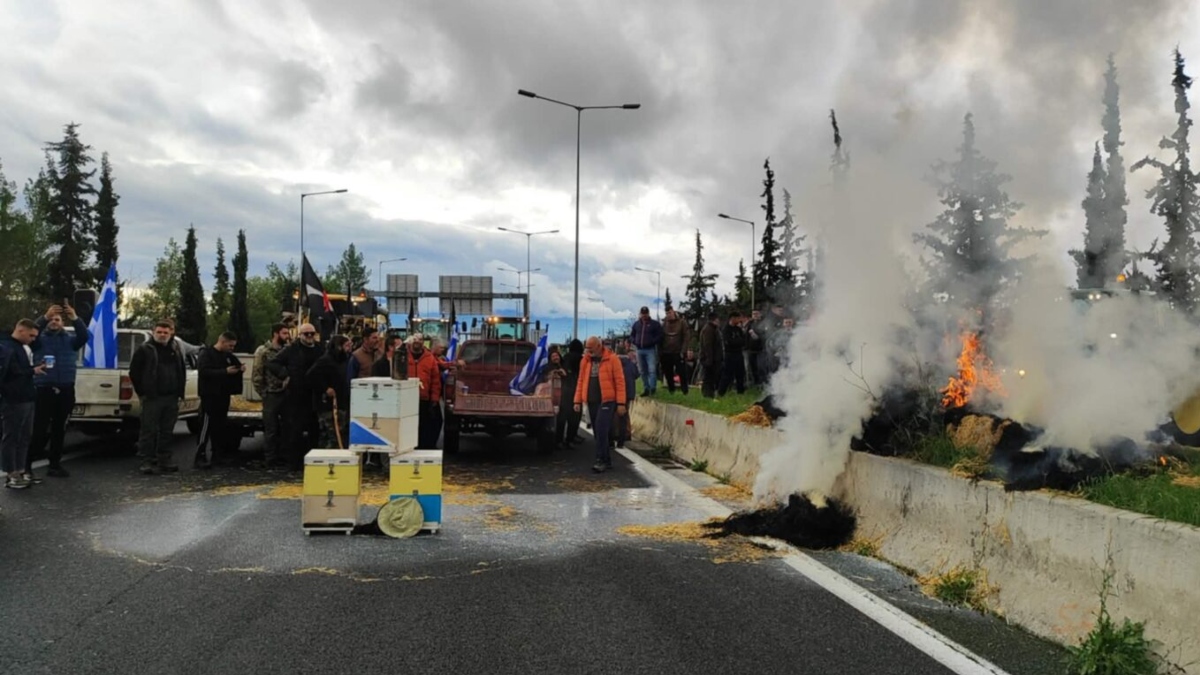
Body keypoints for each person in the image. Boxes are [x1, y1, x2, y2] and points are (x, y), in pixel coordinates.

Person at [27, 303, 88, 480]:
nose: (54, 322)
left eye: (57, 319)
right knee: (39, 429)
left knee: (59, 429)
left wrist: (75, 318)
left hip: (65, 388)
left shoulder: (70, 340)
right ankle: (27, 465)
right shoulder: (38, 340)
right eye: (51, 320)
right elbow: (32, 331)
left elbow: (84, 335)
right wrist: (44, 317)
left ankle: (54, 465)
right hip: (44, 388)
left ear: (62, 322)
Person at [129, 319, 186, 475]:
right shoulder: (145, 350)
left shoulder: (175, 349)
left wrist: (180, 392)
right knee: (149, 431)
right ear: (153, 332)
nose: (162, 335)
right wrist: (143, 393)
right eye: (159, 332)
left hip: (171, 397)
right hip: (153, 398)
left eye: (165, 332)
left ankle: (164, 460)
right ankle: (146, 461)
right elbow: (134, 373)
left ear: (171, 333)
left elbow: (181, 370)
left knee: (167, 431)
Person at [268, 323, 323, 469]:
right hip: (296, 395)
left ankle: (314, 461)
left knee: (315, 429)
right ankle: (294, 462)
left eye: (312, 333)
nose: (310, 336)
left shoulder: (320, 349)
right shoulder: (291, 350)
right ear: (300, 335)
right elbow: (273, 364)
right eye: (306, 334)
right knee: (294, 430)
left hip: (315, 394)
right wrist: (285, 376)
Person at [1, 319, 45, 489]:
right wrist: (32, 370)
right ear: (20, 330)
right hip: (13, 398)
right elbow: (12, 372)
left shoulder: (22, 347)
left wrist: (33, 370)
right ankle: (10, 473)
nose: (33, 339)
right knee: (11, 436)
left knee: (25, 435)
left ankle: (20, 469)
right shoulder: (6, 347)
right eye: (31, 335)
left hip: (27, 396)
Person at [573, 336, 626, 473]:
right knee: (598, 432)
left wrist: (621, 403)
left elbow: (620, 382)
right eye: (587, 348)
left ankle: (600, 459)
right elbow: (581, 381)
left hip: (607, 400)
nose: (588, 351)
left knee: (601, 429)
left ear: (599, 346)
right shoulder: (585, 361)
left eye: (591, 349)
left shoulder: (612, 359)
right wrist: (577, 400)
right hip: (592, 400)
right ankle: (606, 460)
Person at [194, 331, 245, 469]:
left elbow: (236, 364)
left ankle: (218, 455)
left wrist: (240, 369)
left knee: (220, 426)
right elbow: (204, 372)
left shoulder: (228, 356)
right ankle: (200, 455)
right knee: (206, 425)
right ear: (222, 342)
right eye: (230, 345)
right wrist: (224, 372)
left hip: (223, 395)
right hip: (209, 395)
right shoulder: (207, 354)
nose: (232, 349)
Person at [252, 323, 290, 469]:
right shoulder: (263, 351)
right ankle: (270, 459)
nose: (287, 336)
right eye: (284, 333)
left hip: (286, 394)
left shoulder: (287, 350)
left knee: (287, 427)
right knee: (271, 429)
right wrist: (263, 392)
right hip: (271, 394)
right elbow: (257, 373)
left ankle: (284, 456)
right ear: (275, 334)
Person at [307, 335, 352, 449]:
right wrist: (325, 388)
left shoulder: (344, 360)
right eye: (346, 346)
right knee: (330, 435)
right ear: (338, 346)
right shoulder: (325, 360)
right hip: (327, 405)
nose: (349, 349)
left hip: (341, 403)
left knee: (340, 434)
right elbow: (310, 376)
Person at [408, 336, 443, 448]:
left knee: (431, 424)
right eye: (415, 339)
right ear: (410, 342)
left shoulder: (430, 358)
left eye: (420, 340)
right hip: (406, 400)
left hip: (424, 399)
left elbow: (435, 381)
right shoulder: (402, 356)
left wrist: (434, 400)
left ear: (423, 343)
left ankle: (427, 448)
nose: (417, 342)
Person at [628, 306, 663, 396]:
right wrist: (634, 341)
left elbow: (660, 335)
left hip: (650, 349)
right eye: (642, 314)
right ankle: (646, 388)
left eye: (645, 313)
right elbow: (631, 335)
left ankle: (652, 388)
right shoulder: (636, 324)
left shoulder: (655, 324)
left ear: (648, 313)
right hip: (639, 350)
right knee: (642, 371)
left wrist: (652, 341)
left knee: (652, 370)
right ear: (640, 314)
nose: (644, 315)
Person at [557, 339, 584, 447]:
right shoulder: (581, 359)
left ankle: (559, 440)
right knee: (575, 416)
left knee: (562, 416)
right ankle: (570, 438)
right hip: (576, 389)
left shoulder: (565, 358)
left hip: (565, 389)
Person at [658, 306, 690, 395]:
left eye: (670, 313)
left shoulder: (682, 322)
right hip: (666, 352)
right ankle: (671, 390)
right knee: (668, 373)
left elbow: (686, 337)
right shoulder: (664, 324)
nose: (669, 315)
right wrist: (660, 351)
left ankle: (685, 390)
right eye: (667, 313)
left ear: (673, 312)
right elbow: (660, 338)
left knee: (682, 372)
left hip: (678, 352)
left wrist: (683, 350)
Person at [615, 345, 639, 448]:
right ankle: (626, 434)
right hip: (629, 392)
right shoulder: (631, 364)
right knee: (625, 414)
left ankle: (616, 435)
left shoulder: (615, 363)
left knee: (615, 414)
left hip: (618, 392)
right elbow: (637, 375)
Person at [719, 311, 748, 396]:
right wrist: (738, 342)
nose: (739, 320)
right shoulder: (726, 329)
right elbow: (728, 342)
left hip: (739, 353)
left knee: (740, 373)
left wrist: (738, 342)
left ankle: (740, 392)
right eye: (738, 318)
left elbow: (744, 341)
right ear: (732, 318)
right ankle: (721, 392)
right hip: (729, 354)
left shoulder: (738, 329)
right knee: (727, 374)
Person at [698, 312, 723, 399]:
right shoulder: (708, 330)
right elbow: (707, 345)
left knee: (712, 377)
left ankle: (710, 393)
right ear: (714, 320)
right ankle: (707, 394)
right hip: (710, 359)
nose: (719, 321)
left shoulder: (713, 329)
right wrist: (709, 359)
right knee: (708, 377)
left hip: (714, 358)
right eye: (718, 319)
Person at [745, 309, 766, 387]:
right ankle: (755, 383)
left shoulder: (763, 323)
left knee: (761, 367)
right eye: (753, 314)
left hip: (760, 349)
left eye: (757, 314)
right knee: (752, 367)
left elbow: (765, 335)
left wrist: (758, 337)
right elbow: (746, 336)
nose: (755, 315)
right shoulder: (750, 324)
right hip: (751, 350)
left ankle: (762, 383)